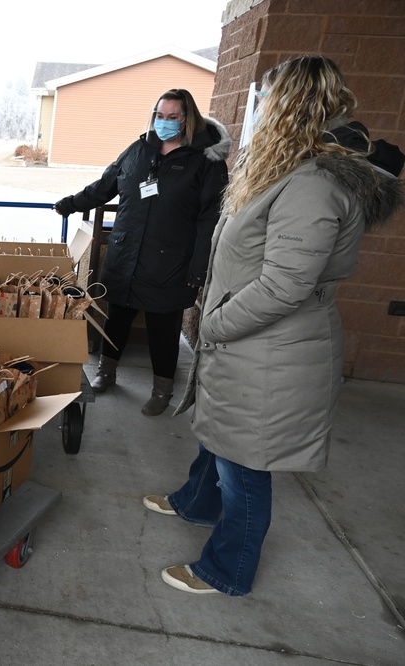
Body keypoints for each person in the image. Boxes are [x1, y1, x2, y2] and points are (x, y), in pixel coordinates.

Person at [145, 55, 403, 595]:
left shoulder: (312, 183)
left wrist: (212, 326)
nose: (257, 110)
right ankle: (196, 502)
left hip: (271, 350)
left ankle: (226, 571)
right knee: (223, 437)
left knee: (245, 466)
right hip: (251, 342)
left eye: (265, 99)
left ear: (290, 105)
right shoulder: (291, 167)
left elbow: (284, 286)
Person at [54, 89, 231, 416]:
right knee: (116, 319)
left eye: (173, 116)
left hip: (171, 262)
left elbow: (211, 219)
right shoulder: (138, 151)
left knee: (163, 329)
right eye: (159, 116)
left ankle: (162, 389)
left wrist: (199, 268)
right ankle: (106, 373)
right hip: (125, 256)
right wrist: (71, 203)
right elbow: (104, 186)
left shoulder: (205, 162)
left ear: (187, 119)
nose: (164, 122)